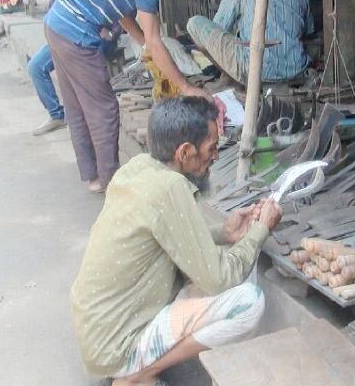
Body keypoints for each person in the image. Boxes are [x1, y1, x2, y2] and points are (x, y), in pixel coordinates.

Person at [71, 97, 283, 385]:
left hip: (98, 335)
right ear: (185, 152)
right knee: (248, 302)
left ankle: (139, 365)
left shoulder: (140, 168)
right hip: (117, 348)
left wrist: (224, 232)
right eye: (211, 148)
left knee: (201, 271)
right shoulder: (170, 188)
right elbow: (221, 278)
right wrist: (260, 230)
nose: (216, 156)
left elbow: (165, 237)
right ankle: (139, 375)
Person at [44, 0, 210, 193]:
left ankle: (93, 177)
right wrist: (186, 87)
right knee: (105, 110)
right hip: (75, 36)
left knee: (76, 107)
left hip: (56, 26)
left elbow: (121, 11)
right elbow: (156, 41)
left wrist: (143, 45)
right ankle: (113, 187)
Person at [186, 0, 313, 84]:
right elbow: (308, 32)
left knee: (194, 23)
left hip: (252, 71)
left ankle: (228, 75)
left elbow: (219, 27)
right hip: (295, 70)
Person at [29, 0, 96, 136]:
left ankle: (88, 117)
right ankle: (57, 115)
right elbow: (52, 16)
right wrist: (55, 41)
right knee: (35, 66)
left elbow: (119, 16)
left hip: (93, 39)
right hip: (64, 38)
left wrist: (110, 34)